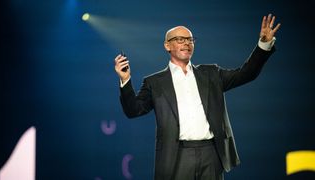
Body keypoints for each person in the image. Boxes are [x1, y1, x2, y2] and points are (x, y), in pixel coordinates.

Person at [114, 14, 281, 180]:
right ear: (167, 45)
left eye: (191, 39)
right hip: (176, 155)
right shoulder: (154, 82)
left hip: (211, 153)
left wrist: (263, 44)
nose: (187, 43)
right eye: (180, 39)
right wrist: (125, 80)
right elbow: (133, 110)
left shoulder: (211, 74)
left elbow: (246, 74)